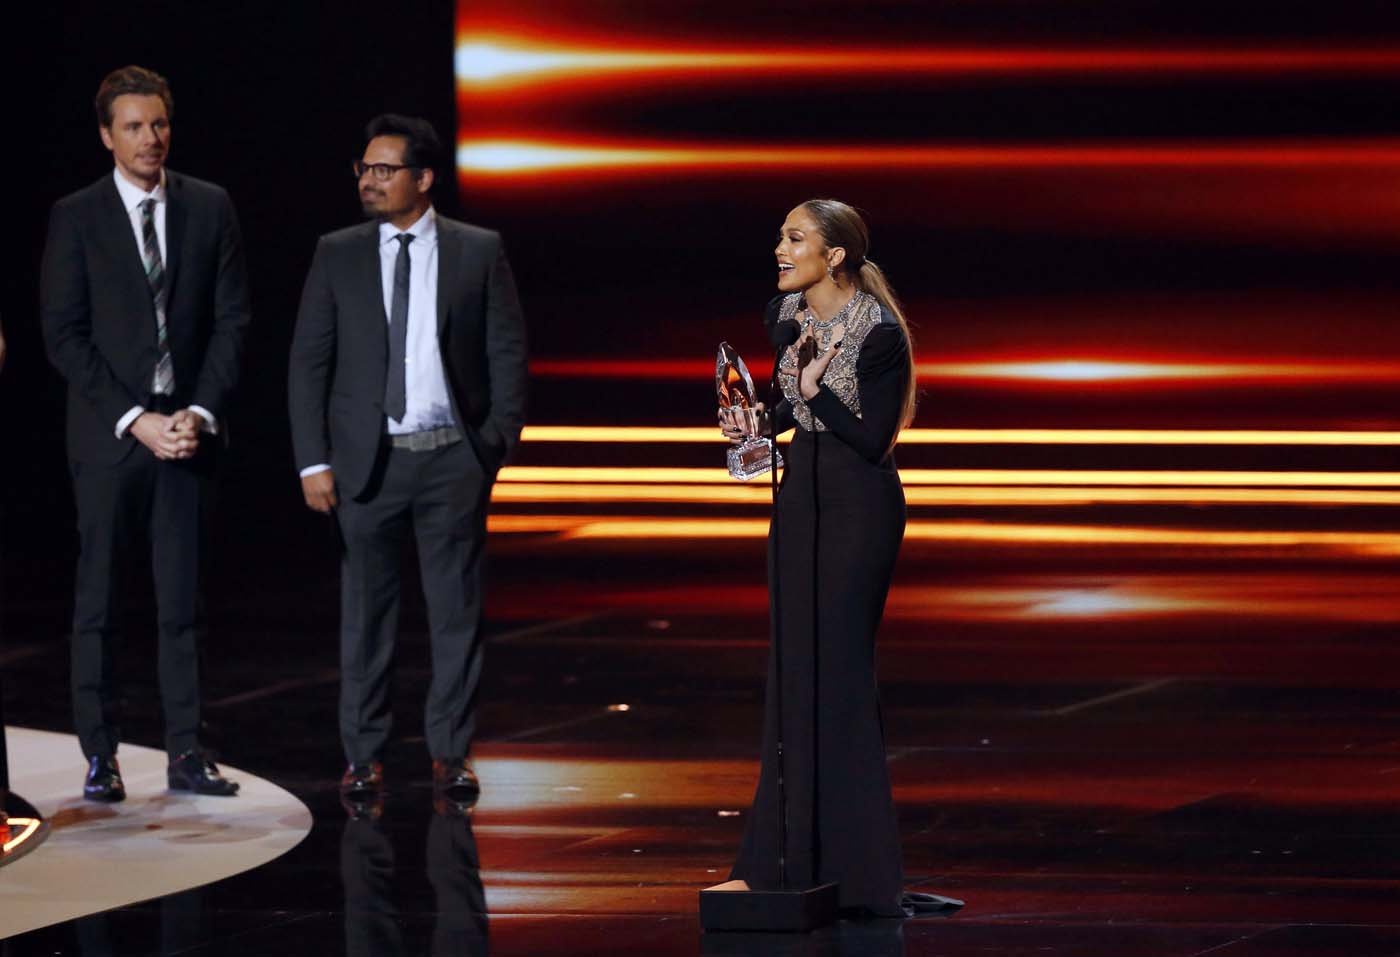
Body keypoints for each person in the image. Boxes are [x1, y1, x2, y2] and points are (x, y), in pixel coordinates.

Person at [721, 199, 954, 917]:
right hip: (800, 499)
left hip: (860, 505)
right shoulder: (784, 316)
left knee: (841, 674)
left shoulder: (881, 333)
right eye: (782, 236)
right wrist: (756, 421)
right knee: (793, 672)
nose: (779, 249)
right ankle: (777, 861)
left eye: (795, 238)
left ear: (836, 255)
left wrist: (817, 392)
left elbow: (872, 436)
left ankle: (860, 872)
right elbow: (792, 413)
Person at [288, 114, 528, 808]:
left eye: (384, 169)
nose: (369, 180)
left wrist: (494, 445)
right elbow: (309, 362)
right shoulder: (337, 252)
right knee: (366, 614)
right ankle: (362, 755)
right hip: (368, 464)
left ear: (422, 178)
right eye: (363, 169)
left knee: (455, 611)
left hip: (452, 459)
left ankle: (451, 752)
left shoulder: (477, 250)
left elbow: (506, 350)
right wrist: (312, 462)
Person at [40, 66, 250, 801]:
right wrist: (139, 420)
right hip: (111, 436)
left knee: (182, 600)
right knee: (99, 600)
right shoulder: (78, 214)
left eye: (158, 124)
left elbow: (231, 320)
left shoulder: (210, 206)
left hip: (188, 431)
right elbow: (63, 336)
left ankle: (187, 751)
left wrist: (199, 412)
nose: (149, 138)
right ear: (107, 135)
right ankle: (101, 755)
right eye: (133, 126)